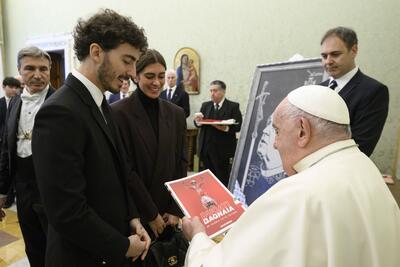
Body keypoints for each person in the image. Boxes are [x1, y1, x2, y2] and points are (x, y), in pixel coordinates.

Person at [182, 85, 400, 267]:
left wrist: (199, 238)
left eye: (277, 131)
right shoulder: (365, 167)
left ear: (302, 131)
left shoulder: (297, 194)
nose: (275, 143)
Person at [31, 9, 150, 266]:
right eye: (127, 60)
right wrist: (122, 247)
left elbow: (119, 174)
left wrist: (133, 218)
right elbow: (66, 212)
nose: (132, 72)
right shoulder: (59, 112)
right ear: (96, 52)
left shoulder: (101, 103)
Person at [111, 49, 187, 242]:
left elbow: (181, 162)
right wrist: (150, 214)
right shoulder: (118, 113)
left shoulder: (176, 113)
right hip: (137, 213)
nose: (157, 82)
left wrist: (175, 208)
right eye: (150, 76)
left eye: (161, 76)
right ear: (136, 76)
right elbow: (125, 169)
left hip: (168, 214)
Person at [0, 46, 55, 267]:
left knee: (57, 248)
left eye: (43, 69)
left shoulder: (61, 102)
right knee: (33, 245)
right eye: (29, 68)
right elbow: (6, 148)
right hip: (23, 190)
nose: (37, 74)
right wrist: (2, 191)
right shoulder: (15, 102)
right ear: (19, 71)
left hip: (53, 193)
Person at [320, 26, 389, 156]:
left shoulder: (373, 91)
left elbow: (362, 146)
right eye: (324, 56)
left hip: (343, 169)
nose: (328, 61)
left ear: (354, 50)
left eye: (335, 54)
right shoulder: (316, 90)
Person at [194, 80, 242, 186]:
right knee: (206, 179)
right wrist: (197, 120)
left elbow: (238, 126)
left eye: (215, 91)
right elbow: (198, 124)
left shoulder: (233, 106)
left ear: (223, 91)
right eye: (211, 91)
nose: (212, 93)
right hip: (206, 149)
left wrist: (225, 128)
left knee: (222, 178)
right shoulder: (205, 105)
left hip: (222, 150)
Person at [0, 77, 21, 208]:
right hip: (2, 143)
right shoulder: (1, 103)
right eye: (11, 87)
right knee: (4, 169)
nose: (14, 90)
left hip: (15, 143)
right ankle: (6, 197)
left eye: (16, 87)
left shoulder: (20, 101)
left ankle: (13, 195)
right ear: (4, 87)